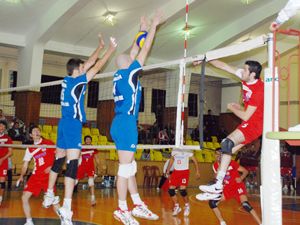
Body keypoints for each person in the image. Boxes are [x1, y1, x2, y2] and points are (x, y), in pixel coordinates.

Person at [42, 34, 117, 225]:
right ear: (78, 70)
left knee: (59, 159)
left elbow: (91, 62)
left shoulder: (67, 80)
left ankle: (49, 194)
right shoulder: (78, 81)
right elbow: (97, 66)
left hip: (63, 123)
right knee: (73, 164)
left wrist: (99, 47)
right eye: (83, 68)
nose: (86, 68)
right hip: (74, 124)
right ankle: (67, 207)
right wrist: (110, 49)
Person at [110, 13, 163, 225]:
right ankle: (122, 209)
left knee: (130, 167)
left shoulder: (120, 74)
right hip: (125, 123)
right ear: (128, 64)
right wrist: (154, 27)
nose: (133, 58)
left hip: (121, 122)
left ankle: (138, 204)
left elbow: (133, 50)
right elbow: (144, 49)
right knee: (124, 170)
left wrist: (141, 27)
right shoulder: (132, 72)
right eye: (131, 59)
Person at [195, 59, 264, 200]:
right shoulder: (246, 76)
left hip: (254, 125)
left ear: (252, 74)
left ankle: (217, 185)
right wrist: (206, 59)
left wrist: (232, 108)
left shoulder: (258, 91)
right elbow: (224, 65)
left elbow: (246, 116)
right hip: (250, 123)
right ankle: (217, 188)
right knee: (227, 150)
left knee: (227, 143)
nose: (241, 71)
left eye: (245, 70)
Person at [197, 149, 262, 225]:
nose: (218, 156)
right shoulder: (215, 166)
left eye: (220, 154)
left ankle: (261, 223)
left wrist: (241, 178)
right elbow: (217, 178)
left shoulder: (231, 163)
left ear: (223, 156)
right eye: (216, 154)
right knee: (212, 203)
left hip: (237, 186)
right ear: (214, 155)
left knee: (245, 205)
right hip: (227, 189)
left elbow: (245, 171)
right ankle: (222, 222)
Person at [16, 125, 58, 225]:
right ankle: (29, 221)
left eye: (38, 130)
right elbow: (25, 164)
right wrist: (21, 176)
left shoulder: (49, 143)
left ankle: (65, 220)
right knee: (24, 197)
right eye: (35, 131)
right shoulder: (30, 148)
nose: (37, 132)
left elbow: (59, 157)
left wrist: (52, 167)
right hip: (36, 176)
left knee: (53, 200)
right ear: (31, 135)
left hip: (48, 177)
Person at [166, 149, 200, 217]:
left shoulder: (188, 150)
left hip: (184, 172)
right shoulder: (174, 150)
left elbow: (195, 160)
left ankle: (187, 206)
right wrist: (168, 170)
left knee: (182, 190)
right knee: (171, 190)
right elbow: (171, 160)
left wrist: (197, 171)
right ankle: (177, 206)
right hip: (176, 172)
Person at [76, 135, 99, 206]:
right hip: (81, 166)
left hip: (90, 167)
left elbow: (96, 158)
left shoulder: (93, 148)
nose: (88, 140)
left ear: (91, 141)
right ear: (85, 141)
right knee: (75, 181)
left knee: (91, 182)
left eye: (89, 139)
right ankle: (68, 197)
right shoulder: (81, 147)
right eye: (87, 139)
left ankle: (93, 199)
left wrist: (99, 166)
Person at [0, 120, 12, 205]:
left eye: (3, 126)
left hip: (3, 162)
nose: (1, 127)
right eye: (0, 126)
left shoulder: (7, 138)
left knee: (2, 180)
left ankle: (0, 198)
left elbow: (10, 152)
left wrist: (2, 159)